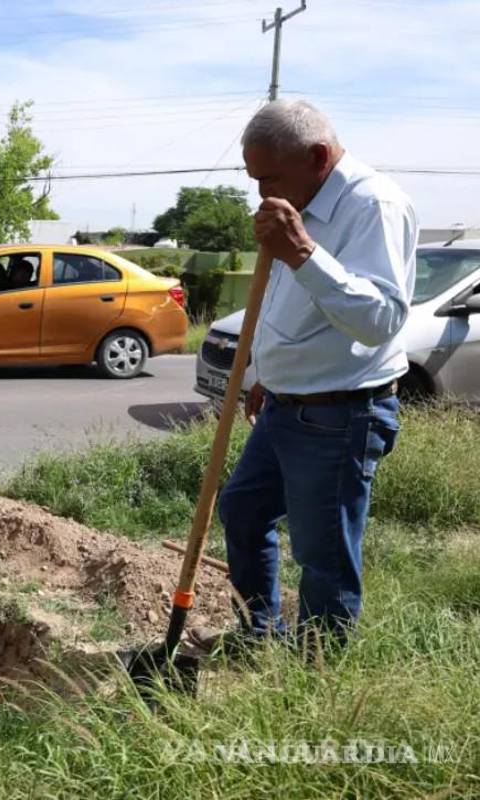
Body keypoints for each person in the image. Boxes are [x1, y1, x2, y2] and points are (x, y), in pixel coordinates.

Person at [206, 100, 416, 647]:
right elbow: (280, 303)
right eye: (254, 179)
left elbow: (381, 320)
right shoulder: (292, 203)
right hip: (284, 403)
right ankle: (260, 635)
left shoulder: (375, 205)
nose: (261, 193)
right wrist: (263, 371)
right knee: (244, 511)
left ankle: (318, 673)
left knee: (321, 552)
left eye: (269, 176)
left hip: (341, 412)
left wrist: (303, 252)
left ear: (319, 157)